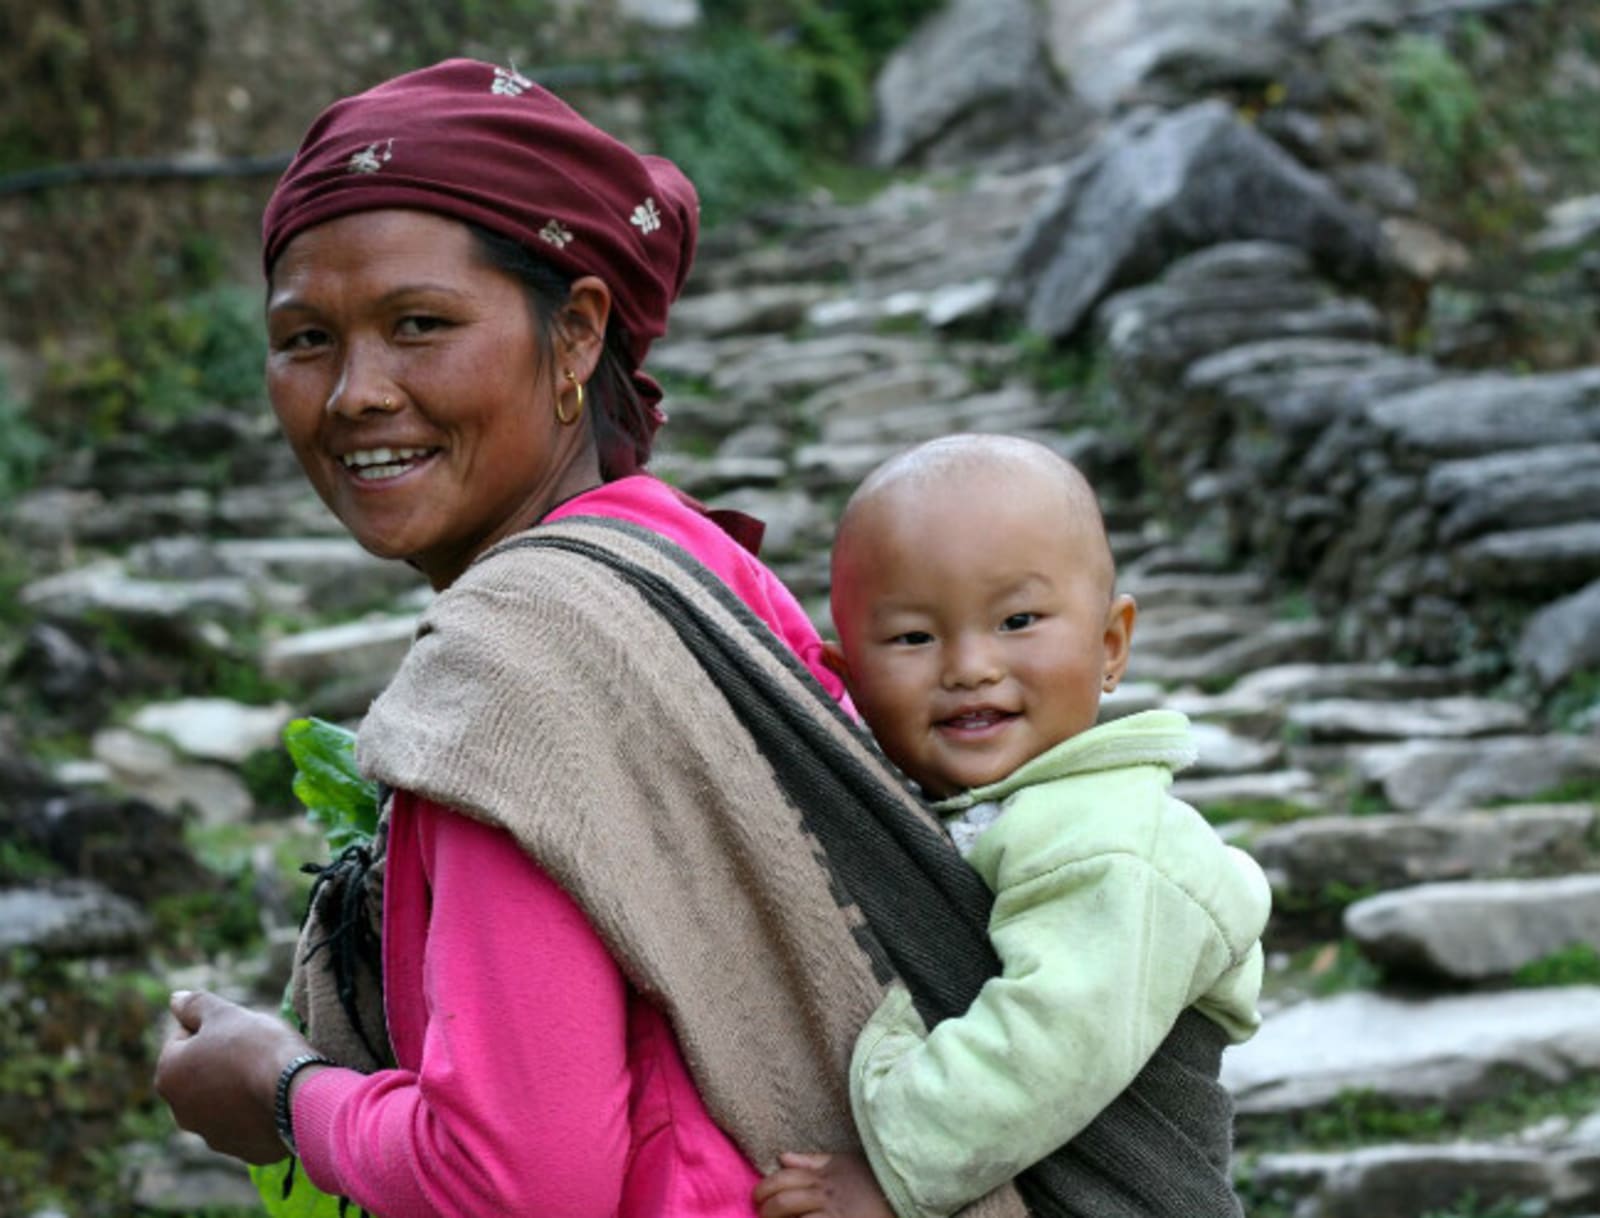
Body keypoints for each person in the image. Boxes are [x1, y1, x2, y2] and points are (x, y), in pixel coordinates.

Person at [152, 58, 968, 1218]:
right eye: (305, 341)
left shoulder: (517, 655)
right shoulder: (687, 561)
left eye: (419, 326)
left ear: (578, 334)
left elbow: (516, 1181)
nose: (354, 394)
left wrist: (280, 1091)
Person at [754, 435, 1273, 1218]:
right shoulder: (938, 815)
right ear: (847, 678)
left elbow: (1056, 1041)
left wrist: (897, 1171)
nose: (969, 665)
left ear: (1111, 646)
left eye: (1018, 620)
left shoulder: (1116, 841)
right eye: (913, 638)